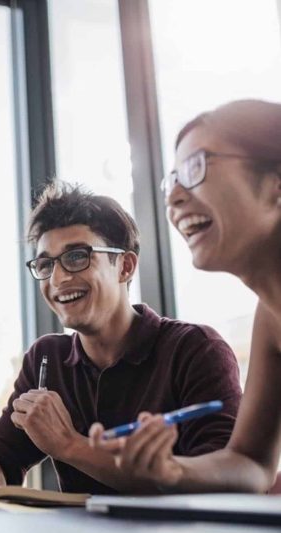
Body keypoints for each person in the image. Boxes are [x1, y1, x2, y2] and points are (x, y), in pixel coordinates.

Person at [0, 183, 242, 494]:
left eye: (76, 257)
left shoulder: (196, 349)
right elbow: (5, 454)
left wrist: (70, 445)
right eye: (46, 265)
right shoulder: (46, 359)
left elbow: (224, 478)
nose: (58, 279)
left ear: (125, 266)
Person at [90, 99, 281, 494]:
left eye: (196, 168)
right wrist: (174, 471)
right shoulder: (270, 316)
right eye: (171, 179)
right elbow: (251, 462)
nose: (173, 196)